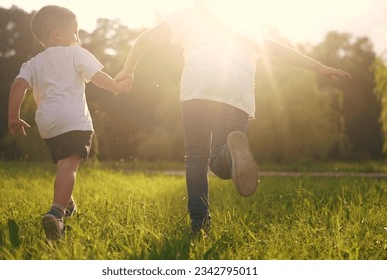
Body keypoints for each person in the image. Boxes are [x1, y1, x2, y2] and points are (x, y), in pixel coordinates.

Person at [115, 0, 351, 234]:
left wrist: (128, 69)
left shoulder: (187, 15)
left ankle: (199, 222)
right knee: (222, 163)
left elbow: (147, 38)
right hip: (236, 89)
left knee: (196, 156)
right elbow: (278, 50)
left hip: (199, 85)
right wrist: (320, 67)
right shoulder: (243, 21)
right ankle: (229, 150)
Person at [8, 5, 127, 240]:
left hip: (48, 125)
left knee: (63, 164)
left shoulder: (33, 63)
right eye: (75, 32)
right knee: (68, 167)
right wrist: (115, 87)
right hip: (74, 121)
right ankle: (56, 213)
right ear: (57, 34)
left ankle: (69, 205)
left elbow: (18, 86)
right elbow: (97, 77)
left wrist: (13, 116)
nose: (78, 38)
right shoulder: (76, 53)